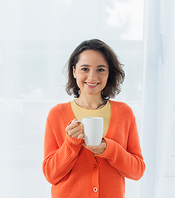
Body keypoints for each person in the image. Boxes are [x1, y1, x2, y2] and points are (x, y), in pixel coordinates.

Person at [42, 39, 145, 198]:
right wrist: (70, 144)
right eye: (85, 69)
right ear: (74, 71)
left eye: (101, 69)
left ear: (109, 72)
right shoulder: (57, 114)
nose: (92, 77)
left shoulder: (124, 113)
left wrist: (110, 150)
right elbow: (50, 174)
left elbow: (137, 171)